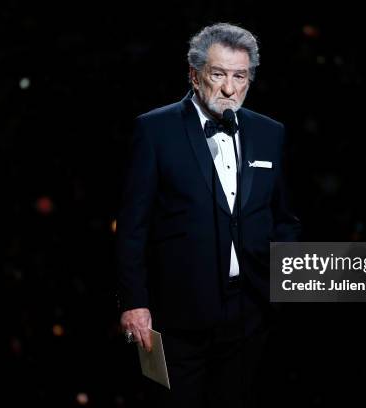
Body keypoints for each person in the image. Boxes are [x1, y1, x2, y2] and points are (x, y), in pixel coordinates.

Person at [115, 22, 301, 407]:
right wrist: (134, 301)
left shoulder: (270, 133)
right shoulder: (155, 130)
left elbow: (284, 217)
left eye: (240, 76)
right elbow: (133, 226)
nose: (230, 89)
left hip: (251, 310)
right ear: (194, 75)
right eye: (218, 75)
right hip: (179, 312)